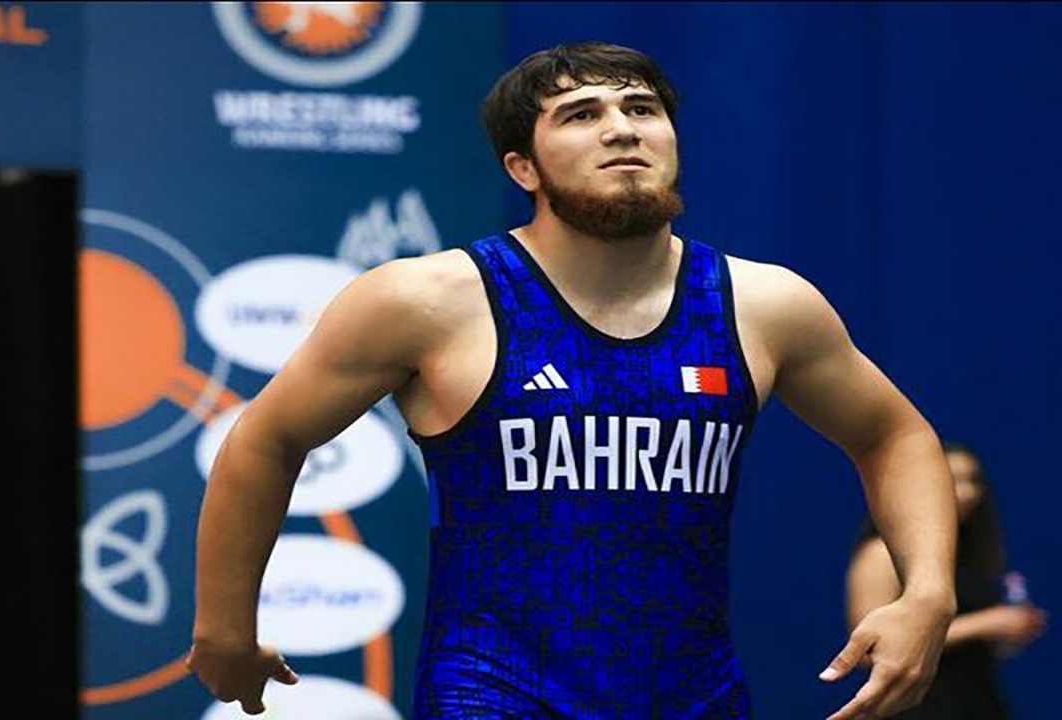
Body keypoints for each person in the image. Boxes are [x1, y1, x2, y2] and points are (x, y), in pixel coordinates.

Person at [187, 42, 960, 719]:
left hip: (695, 696)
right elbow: (267, 438)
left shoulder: (764, 304)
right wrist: (224, 629)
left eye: (642, 109)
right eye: (582, 114)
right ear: (521, 167)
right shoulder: (429, 300)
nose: (622, 129)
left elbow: (894, 435)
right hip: (492, 692)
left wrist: (927, 592)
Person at [845, 442, 1048, 719]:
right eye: (953, 480)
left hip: (978, 698)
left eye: (973, 480)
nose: (968, 492)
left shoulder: (968, 553)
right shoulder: (882, 552)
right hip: (921, 706)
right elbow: (868, 650)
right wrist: (984, 624)